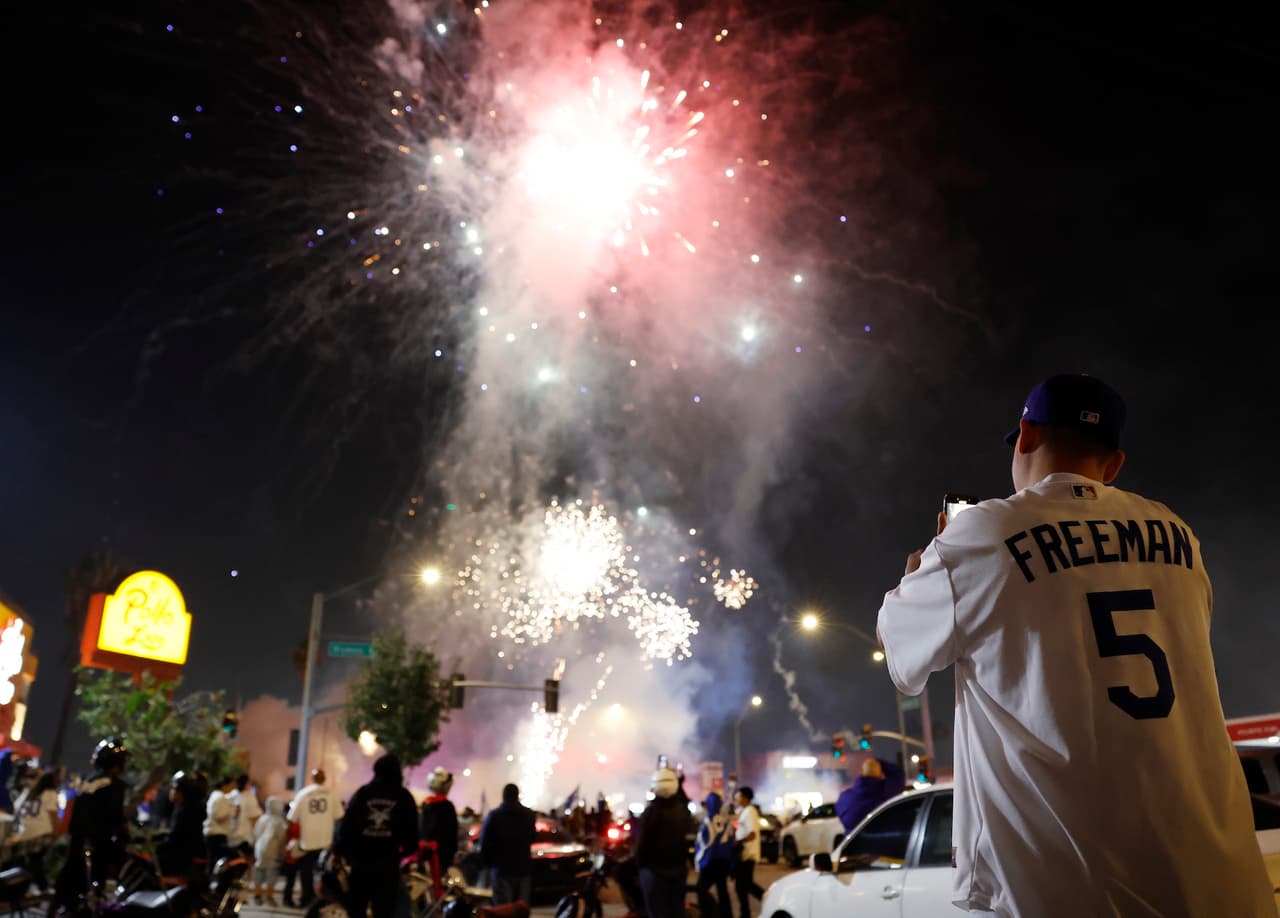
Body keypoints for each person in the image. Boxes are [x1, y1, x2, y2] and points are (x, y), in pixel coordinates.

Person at [875, 372, 1275, 916]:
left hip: (1069, 887)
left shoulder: (982, 535)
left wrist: (918, 574)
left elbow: (899, 653)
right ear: (1113, 465)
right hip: (1221, 880)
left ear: (1025, 435)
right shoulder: (1176, 532)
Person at [333, 753, 418, 918]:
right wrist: (402, 854)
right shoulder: (404, 797)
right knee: (384, 911)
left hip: (360, 866)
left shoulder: (363, 794)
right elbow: (412, 838)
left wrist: (343, 853)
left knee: (356, 910)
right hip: (388, 867)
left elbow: (346, 829)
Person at [53, 737, 130, 909]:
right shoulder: (114, 786)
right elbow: (116, 819)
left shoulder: (89, 782)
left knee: (70, 882)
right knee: (94, 890)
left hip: (78, 843)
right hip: (97, 846)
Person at [632, 768, 691, 918]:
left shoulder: (650, 813)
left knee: (657, 912)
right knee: (677, 910)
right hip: (678, 869)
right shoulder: (682, 811)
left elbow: (641, 845)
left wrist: (638, 865)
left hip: (654, 871)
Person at [285, 767, 344, 909]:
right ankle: (322, 901)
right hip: (325, 841)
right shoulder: (332, 794)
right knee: (324, 874)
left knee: (306, 873)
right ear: (324, 779)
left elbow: (291, 817)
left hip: (307, 842)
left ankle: (307, 899)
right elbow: (339, 816)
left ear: (312, 779)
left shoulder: (304, 793)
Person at [478, 783, 536, 906]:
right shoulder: (529, 815)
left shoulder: (494, 816)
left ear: (503, 796)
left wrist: (488, 864)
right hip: (523, 868)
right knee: (520, 908)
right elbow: (532, 838)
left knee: (503, 908)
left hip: (501, 868)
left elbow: (484, 843)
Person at [11, 769, 60, 892]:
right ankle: (41, 887)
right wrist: (57, 831)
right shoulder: (50, 793)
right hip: (41, 831)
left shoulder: (31, 792)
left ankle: (23, 887)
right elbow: (53, 815)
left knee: (25, 861)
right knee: (36, 862)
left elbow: (17, 809)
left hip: (26, 831)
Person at [157, 770, 207, 878]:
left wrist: (159, 845)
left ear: (181, 792)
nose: (171, 791)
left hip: (182, 857)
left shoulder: (186, 811)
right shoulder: (186, 807)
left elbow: (177, 837)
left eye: (173, 789)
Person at [693, 791, 734, 918]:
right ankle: (726, 915)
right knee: (722, 891)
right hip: (723, 861)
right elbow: (731, 841)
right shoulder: (726, 821)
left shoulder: (708, 822)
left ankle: (708, 913)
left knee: (701, 889)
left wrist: (700, 860)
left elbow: (703, 843)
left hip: (710, 862)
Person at [834, 757, 901, 833]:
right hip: (885, 841)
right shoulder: (887, 792)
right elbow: (898, 775)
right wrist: (880, 762)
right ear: (880, 774)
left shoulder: (845, 798)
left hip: (854, 843)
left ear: (861, 772)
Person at [420, 766, 459, 885]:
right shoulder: (447, 807)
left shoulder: (426, 805)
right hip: (441, 858)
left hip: (425, 855)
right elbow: (452, 834)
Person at [729, 787, 762, 918]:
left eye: (738, 797)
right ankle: (745, 913)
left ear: (745, 797)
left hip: (747, 854)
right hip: (743, 855)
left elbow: (752, 834)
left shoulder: (750, 812)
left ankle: (768, 899)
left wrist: (738, 842)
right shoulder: (745, 811)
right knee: (743, 886)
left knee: (745, 885)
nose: (736, 800)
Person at [252, 796, 288, 907]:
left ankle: (257, 896)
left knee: (259, 872)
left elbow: (256, 834)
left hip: (259, 851)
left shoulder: (262, 819)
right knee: (271, 875)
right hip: (273, 851)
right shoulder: (279, 821)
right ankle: (269, 897)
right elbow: (282, 839)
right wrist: (282, 853)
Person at [204, 774, 237, 864]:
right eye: (232, 786)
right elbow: (219, 816)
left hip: (212, 833)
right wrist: (232, 811)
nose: (232, 789)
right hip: (217, 834)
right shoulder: (221, 797)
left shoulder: (214, 795)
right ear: (225, 785)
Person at [229, 773, 263, 859]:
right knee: (247, 859)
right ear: (247, 783)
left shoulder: (231, 795)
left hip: (231, 834)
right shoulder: (249, 796)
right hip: (244, 836)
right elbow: (255, 817)